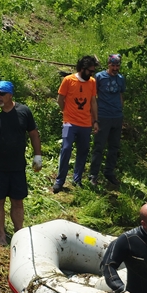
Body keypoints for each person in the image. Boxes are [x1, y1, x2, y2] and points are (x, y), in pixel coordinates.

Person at [0, 81, 44, 245]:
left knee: (17, 201)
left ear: (11, 95)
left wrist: (38, 155)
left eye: (2, 93)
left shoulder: (23, 112)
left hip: (17, 166)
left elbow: (33, 133)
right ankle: (1, 235)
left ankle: (19, 233)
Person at [53, 55, 100, 193]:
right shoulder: (68, 80)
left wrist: (95, 121)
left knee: (83, 151)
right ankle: (59, 181)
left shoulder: (92, 82)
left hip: (85, 123)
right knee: (66, 149)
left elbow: (93, 102)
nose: (91, 74)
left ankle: (77, 179)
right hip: (69, 123)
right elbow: (60, 99)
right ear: (82, 69)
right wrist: (66, 113)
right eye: (90, 71)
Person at [89, 53, 125, 187]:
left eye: (117, 65)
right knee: (99, 146)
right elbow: (93, 96)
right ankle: (93, 174)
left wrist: (121, 111)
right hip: (103, 115)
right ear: (108, 64)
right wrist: (94, 118)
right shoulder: (99, 77)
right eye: (113, 65)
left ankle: (109, 172)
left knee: (114, 147)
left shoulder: (121, 78)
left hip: (117, 116)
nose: (115, 68)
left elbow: (120, 95)